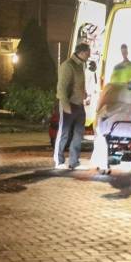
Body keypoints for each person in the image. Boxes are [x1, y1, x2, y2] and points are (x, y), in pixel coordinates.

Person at [90, 83, 131, 175]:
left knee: (100, 134)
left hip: (112, 130)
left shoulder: (107, 106)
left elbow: (99, 117)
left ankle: (102, 164)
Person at [54, 42, 91, 170]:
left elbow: (77, 84)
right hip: (69, 104)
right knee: (64, 133)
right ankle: (59, 161)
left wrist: (83, 94)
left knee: (78, 134)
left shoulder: (80, 65)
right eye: (88, 53)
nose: (89, 55)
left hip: (79, 105)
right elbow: (61, 88)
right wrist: (65, 106)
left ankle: (74, 161)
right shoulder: (68, 65)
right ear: (82, 52)